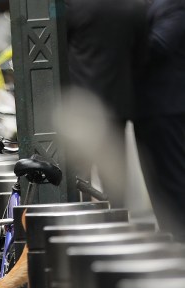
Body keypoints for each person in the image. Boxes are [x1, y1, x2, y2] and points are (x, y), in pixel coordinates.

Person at [64, 0, 146, 207]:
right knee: (115, 178)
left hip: (84, 105)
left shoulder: (74, 7)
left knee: (80, 175)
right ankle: (118, 222)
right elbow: (141, 52)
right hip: (117, 103)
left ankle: (84, 223)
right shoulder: (132, 7)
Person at [132, 0, 185, 239]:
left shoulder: (176, 5)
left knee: (172, 182)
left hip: (167, 108)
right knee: (158, 184)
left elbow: (158, 45)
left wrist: (119, 37)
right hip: (150, 109)